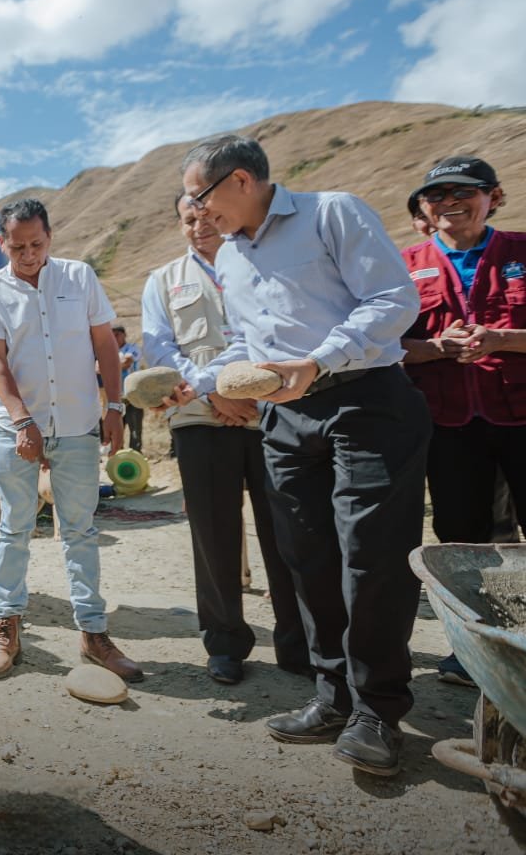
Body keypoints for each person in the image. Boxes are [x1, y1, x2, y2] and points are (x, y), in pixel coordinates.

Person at [174, 134, 426, 777]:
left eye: (200, 197)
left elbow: (395, 300)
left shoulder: (332, 212)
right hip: (287, 417)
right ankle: (333, 696)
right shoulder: (229, 259)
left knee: (370, 556)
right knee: (306, 557)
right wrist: (200, 381)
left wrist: (319, 361)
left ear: (238, 181)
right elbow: (245, 345)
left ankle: (379, 710)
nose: (197, 213)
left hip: (366, 400)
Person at [140, 197, 309, 685]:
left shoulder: (259, 266)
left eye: (207, 216)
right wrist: (217, 396)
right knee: (213, 537)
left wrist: (233, 392)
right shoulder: (162, 281)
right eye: (189, 219)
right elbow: (159, 348)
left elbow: (275, 333)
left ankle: (297, 643)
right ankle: (225, 643)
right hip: (198, 421)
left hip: (270, 415)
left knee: (286, 533)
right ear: (180, 225)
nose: (200, 227)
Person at [0, 198, 143, 684]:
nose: (28, 254)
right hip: (15, 427)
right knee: (14, 528)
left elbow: (105, 345)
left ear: (50, 237)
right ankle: (6, 626)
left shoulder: (79, 277)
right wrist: (23, 420)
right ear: (1, 242)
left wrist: (113, 406)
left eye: (37, 244)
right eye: (18, 246)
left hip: (75, 425)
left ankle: (93, 633)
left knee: (80, 530)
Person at [399, 155, 526, 690]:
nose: (450, 202)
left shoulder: (521, 251)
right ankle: (474, 649)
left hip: (521, 416)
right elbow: (384, 346)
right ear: (425, 208)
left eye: (464, 191)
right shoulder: (403, 264)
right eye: (438, 194)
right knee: (460, 538)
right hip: (449, 425)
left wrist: (503, 339)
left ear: (492, 197)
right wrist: (433, 348)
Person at [111, 325, 143, 452]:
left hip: (133, 395)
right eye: (112, 335)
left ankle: (135, 455)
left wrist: (108, 367)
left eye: (117, 334)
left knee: (135, 427)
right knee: (117, 429)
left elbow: (127, 363)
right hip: (117, 396)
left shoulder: (132, 348)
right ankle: (119, 456)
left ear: (124, 335)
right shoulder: (110, 351)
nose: (115, 338)